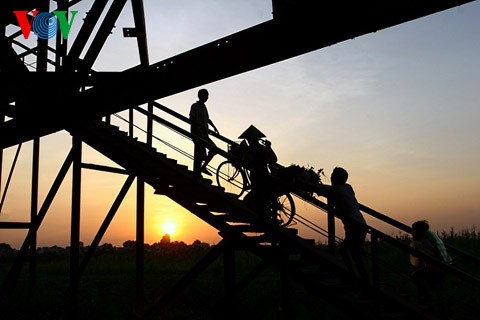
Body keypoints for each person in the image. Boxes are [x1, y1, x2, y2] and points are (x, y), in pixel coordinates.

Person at [314, 167, 370, 287]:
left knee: (348, 252)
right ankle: (358, 279)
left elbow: (318, 188)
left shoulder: (335, 190)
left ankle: (360, 281)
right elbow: (326, 188)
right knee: (353, 254)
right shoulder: (348, 187)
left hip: (355, 227)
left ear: (336, 178)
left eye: (333, 175)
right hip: (360, 224)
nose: (331, 177)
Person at [240, 125, 278, 223]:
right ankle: (268, 215)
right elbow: (274, 159)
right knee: (263, 195)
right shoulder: (263, 148)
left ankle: (263, 217)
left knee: (253, 197)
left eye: (248, 139)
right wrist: (269, 147)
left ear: (250, 139)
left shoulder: (252, 149)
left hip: (257, 175)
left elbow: (247, 161)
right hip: (266, 174)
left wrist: (244, 151)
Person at [410, 220, 452, 308]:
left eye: (413, 230)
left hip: (438, 267)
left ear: (418, 232)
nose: (411, 232)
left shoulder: (425, 242)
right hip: (443, 266)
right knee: (439, 290)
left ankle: (427, 298)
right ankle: (442, 311)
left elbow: (434, 252)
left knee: (415, 275)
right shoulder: (428, 239)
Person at [189, 88, 219, 176]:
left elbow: (207, 119)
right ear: (200, 96)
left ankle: (202, 167)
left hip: (204, 134)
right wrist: (199, 126)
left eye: (207, 96)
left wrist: (214, 127)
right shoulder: (195, 106)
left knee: (214, 149)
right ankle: (198, 173)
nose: (207, 98)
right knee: (200, 154)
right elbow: (192, 117)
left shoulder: (204, 107)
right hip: (197, 134)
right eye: (205, 96)